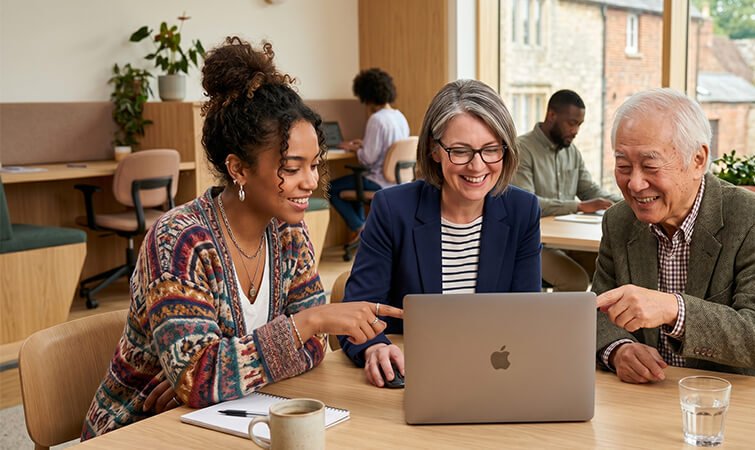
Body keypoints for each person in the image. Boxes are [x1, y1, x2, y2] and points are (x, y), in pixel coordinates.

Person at [81, 37, 402, 439]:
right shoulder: (180, 241)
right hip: (138, 429)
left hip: (224, 417)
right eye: (292, 167)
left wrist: (219, 373)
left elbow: (314, 347)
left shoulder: (288, 230)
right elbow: (202, 377)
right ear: (238, 168)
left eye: (315, 165)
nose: (310, 181)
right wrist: (306, 323)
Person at [337, 79, 542, 387]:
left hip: (495, 376)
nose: (477, 166)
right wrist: (375, 346)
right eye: (460, 151)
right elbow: (357, 307)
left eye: (491, 150)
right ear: (434, 150)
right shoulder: (393, 209)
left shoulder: (522, 210)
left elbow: (528, 315)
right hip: (413, 376)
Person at [593, 88, 755, 384]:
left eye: (650, 166)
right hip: (651, 398)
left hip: (742, 401)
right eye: (623, 166)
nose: (635, 183)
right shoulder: (619, 220)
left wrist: (673, 309)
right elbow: (599, 310)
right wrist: (618, 350)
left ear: (698, 160)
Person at [512, 89, 621, 292]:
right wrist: (578, 206)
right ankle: (556, 325)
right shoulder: (522, 150)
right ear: (552, 115)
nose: (576, 131)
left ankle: (596, 324)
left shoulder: (572, 152)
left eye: (579, 125)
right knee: (575, 281)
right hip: (531, 243)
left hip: (567, 243)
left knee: (616, 268)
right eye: (572, 123)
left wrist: (629, 204)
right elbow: (528, 205)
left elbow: (591, 191)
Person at [331, 68, 410, 243]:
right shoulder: (399, 117)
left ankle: (360, 227)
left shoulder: (377, 119)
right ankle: (362, 229)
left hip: (378, 181)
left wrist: (355, 149)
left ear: (367, 95)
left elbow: (368, 159)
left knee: (330, 188)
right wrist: (363, 145)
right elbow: (388, 149)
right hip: (398, 182)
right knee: (352, 185)